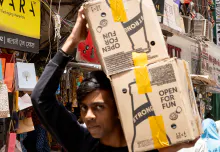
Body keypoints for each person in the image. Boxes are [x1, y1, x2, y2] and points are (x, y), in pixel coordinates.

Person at [31, 8, 197, 152]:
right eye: (83, 108)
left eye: (98, 107)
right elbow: (40, 98)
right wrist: (73, 40)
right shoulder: (82, 144)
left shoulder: (149, 148)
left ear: (119, 110)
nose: (88, 116)